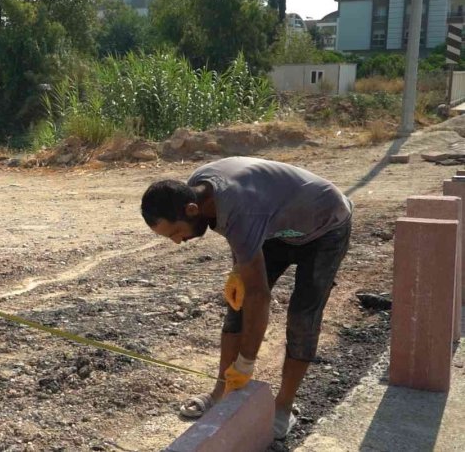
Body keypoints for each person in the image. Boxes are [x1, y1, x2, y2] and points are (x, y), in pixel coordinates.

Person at [140, 157, 352, 440]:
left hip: (326, 224)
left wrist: (246, 362)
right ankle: (220, 393)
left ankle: (283, 407)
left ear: (191, 210)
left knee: (302, 316)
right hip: (276, 227)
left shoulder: (239, 209)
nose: (177, 241)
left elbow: (259, 296)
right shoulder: (197, 193)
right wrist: (238, 269)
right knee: (237, 306)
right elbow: (237, 231)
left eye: (176, 232)